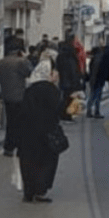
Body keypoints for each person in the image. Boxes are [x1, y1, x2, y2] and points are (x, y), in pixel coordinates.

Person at [18, 60, 64, 203]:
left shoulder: (29, 89)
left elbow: (22, 111)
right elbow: (58, 110)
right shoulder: (52, 90)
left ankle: (28, 192)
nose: (56, 75)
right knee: (45, 163)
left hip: (28, 132)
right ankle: (40, 191)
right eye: (54, 72)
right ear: (48, 73)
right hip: (47, 132)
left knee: (28, 161)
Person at [0, 44, 33, 156]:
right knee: (21, 123)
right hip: (21, 96)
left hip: (7, 96)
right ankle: (20, 147)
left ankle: (8, 147)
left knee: (11, 122)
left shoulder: (1, 62)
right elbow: (30, 73)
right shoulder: (22, 62)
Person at [56, 33, 82, 122]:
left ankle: (63, 114)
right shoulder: (71, 54)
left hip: (63, 79)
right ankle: (66, 114)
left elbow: (58, 66)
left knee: (64, 97)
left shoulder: (60, 54)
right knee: (69, 98)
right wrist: (77, 82)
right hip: (70, 80)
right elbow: (73, 69)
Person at [85, 46, 105, 118]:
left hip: (94, 80)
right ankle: (94, 112)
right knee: (95, 96)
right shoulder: (99, 58)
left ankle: (92, 111)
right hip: (97, 80)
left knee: (94, 96)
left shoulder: (94, 58)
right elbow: (96, 71)